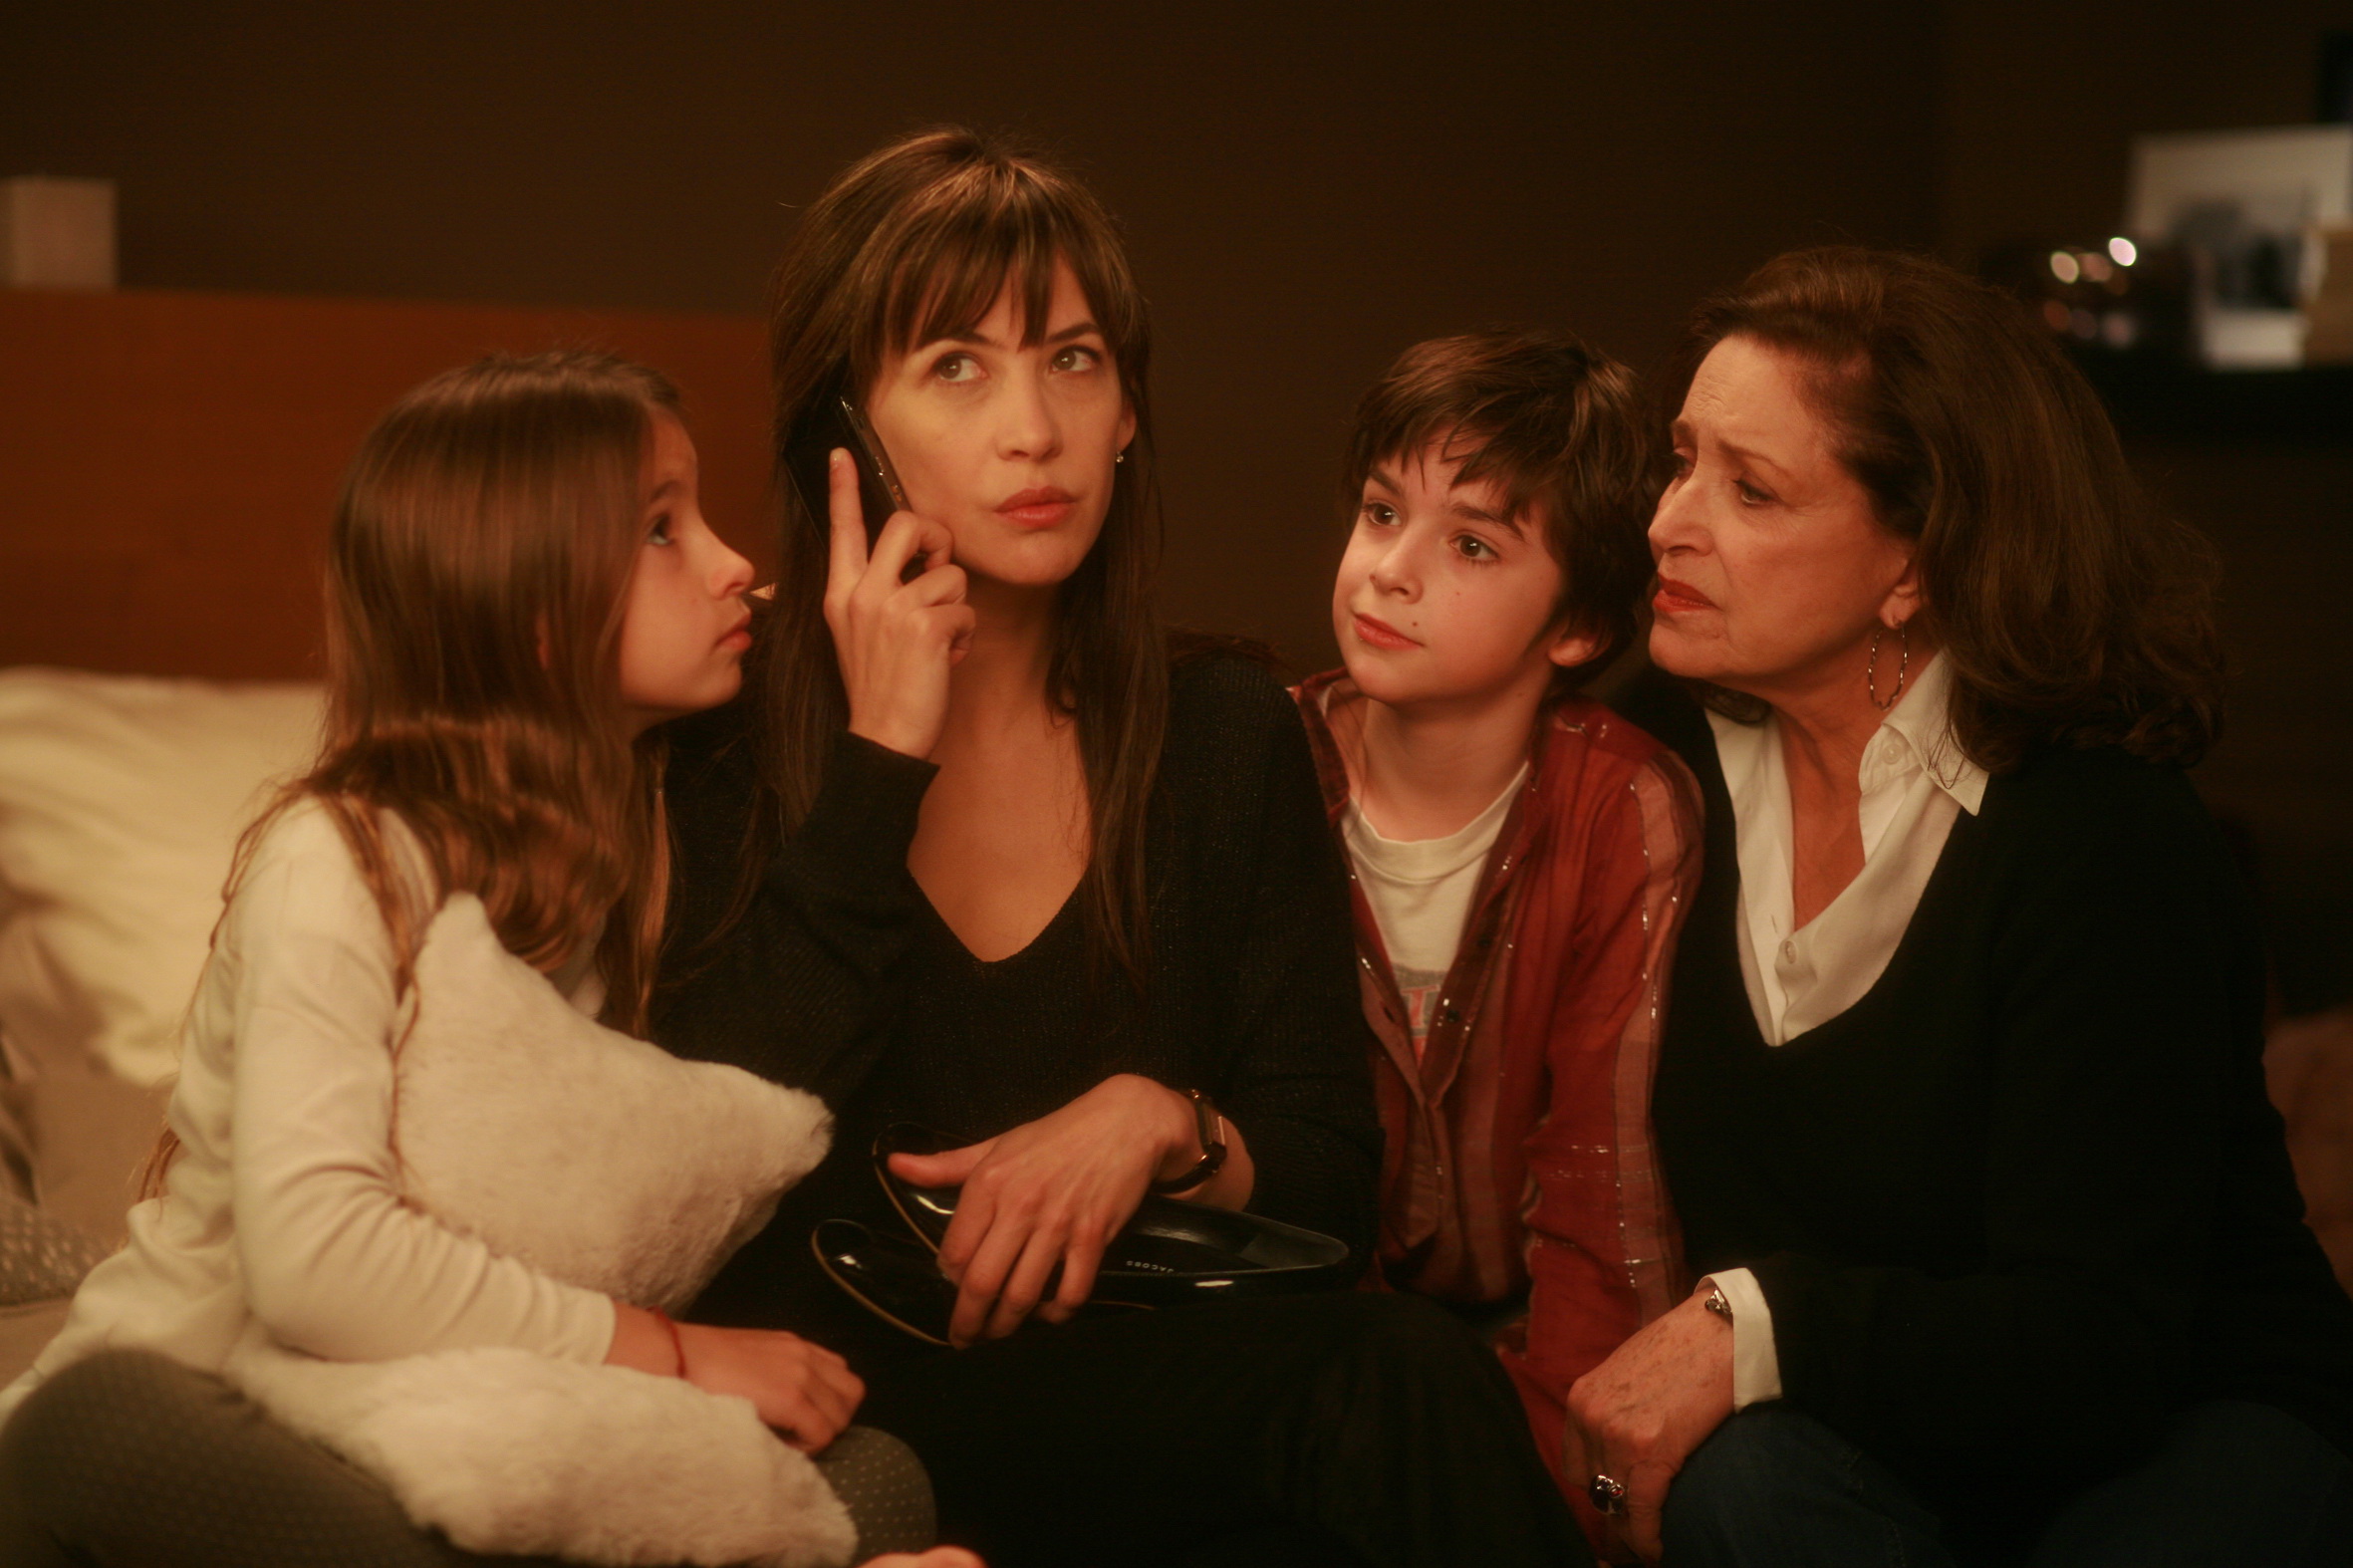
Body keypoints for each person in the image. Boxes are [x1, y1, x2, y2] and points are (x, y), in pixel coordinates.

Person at [652, 129, 1585, 1568]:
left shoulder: (1221, 726)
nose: (1034, 428)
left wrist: (1164, 1121)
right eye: (956, 366)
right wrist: (879, 758)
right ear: (847, 427)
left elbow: (1332, 1190)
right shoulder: (715, 731)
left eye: (1073, 360)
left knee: (1385, 1389)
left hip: (1156, 1386)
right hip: (850, 1394)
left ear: (1129, 409)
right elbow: (700, 1168)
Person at [0, 351, 977, 1568]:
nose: (732, 561)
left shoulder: (635, 853)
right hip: (244, 1419)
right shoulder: (344, 858)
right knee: (90, 1425)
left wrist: (883, 722)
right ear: (528, 607)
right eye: (662, 529)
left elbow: (732, 1108)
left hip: (477, 1423)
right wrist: (675, 1353)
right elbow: (315, 1263)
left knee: (874, 1481)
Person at [1579, 246, 2353, 1566]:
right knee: (1739, 1487)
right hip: (1858, 1425)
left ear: (1914, 564)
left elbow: (2094, 1349)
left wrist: (1751, 1324)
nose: (1666, 522)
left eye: (1749, 488)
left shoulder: (2100, 835)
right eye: (1681, 459)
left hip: (2179, 1418)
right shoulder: (1656, 760)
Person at [1289, 329, 1700, 1550]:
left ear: (1577, 625)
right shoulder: (1261, 763)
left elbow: (1602, 1195)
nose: (1388, 570)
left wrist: (1566, 1497)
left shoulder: (1620, 807)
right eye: (1381, 512)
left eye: (1470, 544)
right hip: (1310, 1354)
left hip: (1528, 1361)